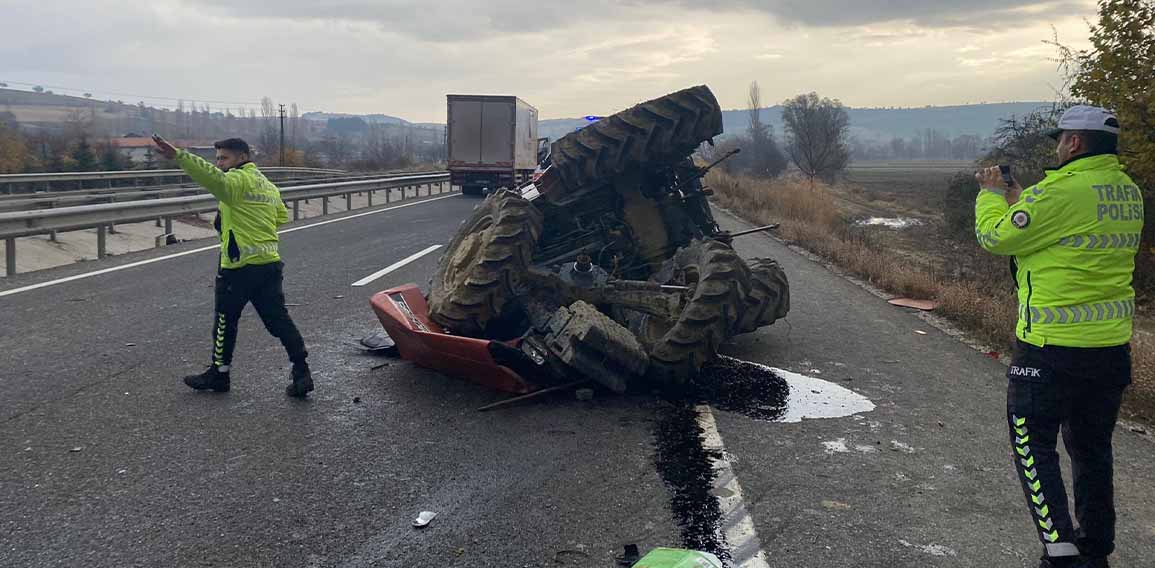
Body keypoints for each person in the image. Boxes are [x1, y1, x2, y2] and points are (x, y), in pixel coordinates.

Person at [974, 105, 1141, 568]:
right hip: (1108, 349)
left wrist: (991, 194)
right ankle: (1096, 549)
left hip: (1050, 348)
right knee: (1092, 449)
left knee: (1033, 446)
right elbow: (1059, 227)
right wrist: (1020, 198)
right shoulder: (1125, 191)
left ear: (1075, 143)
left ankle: (1061, 553)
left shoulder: (1062, 190)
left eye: (1061, 139)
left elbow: (997, 238)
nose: (1059, 145)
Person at [152, 135, 314, 398]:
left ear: (242, 157)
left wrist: (180, 156)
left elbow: (215, 180)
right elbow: (281, 216)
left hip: (238, 268)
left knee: (225, 323)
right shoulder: (267, 185)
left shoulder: (237, 180)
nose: (219, 164)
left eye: (224, 158)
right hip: (269, 264)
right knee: (279, 320)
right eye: (217, 159)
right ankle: (301, 370)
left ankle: (220, 374)